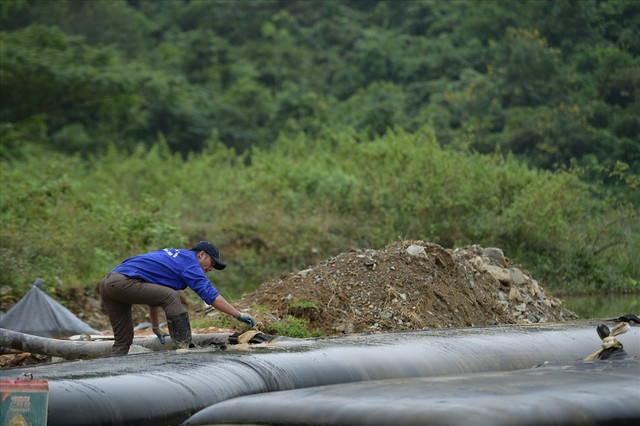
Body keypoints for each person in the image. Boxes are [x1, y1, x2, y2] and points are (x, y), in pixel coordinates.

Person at [100, 240, 255, 355]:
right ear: (201, 254)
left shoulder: (176, 257)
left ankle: (113, 376)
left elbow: (154, 296)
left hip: (108, 283)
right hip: (123, 282)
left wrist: (155, 327)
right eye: (212, 263)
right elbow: (211, 296)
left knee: (123, 341)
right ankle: (185, 348)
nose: (210, 269)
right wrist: (238, 314)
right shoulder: (190, 263)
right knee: (172, 296)